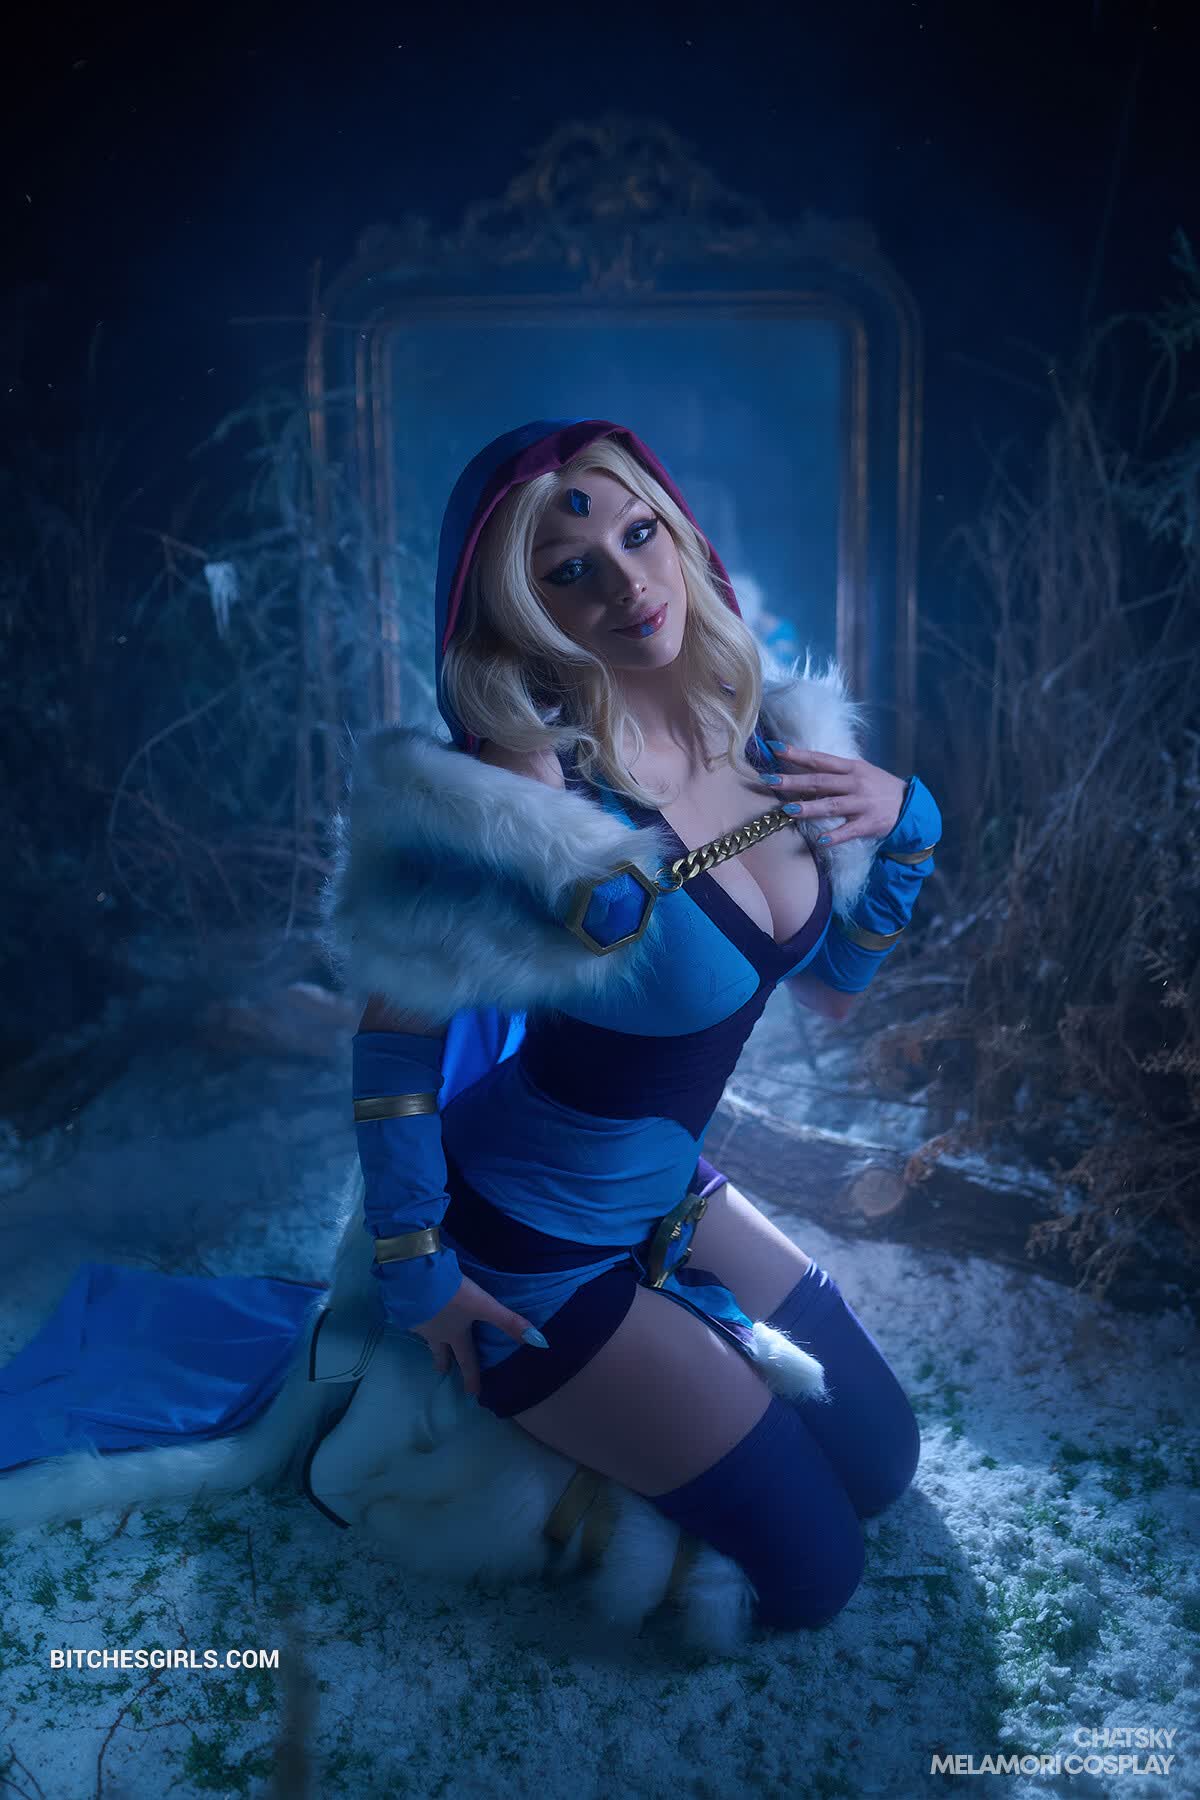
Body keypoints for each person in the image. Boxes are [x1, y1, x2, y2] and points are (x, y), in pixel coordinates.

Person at [328, 417, 943, 1632]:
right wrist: (417, 1273)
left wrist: (906, 825)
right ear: (525, 614)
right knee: (815, 1577)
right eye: (570, 571)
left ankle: (652, 1386)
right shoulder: (532, 801)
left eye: (638, 533)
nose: (624, 582)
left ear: (680, 534)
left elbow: (831, 987)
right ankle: (533, 1460)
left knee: (883, 1460)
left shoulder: (765, 737)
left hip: (665, 1194)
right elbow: (394, 1036)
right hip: (525, 1250)